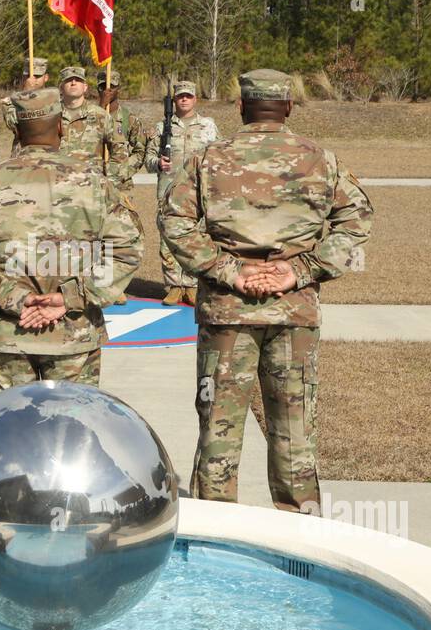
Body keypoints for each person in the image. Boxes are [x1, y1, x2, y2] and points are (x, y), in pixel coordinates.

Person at [159, 69, 373, 514]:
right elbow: (357, 220)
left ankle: (217, 537)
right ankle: (298, 540)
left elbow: (174, 221)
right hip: (293, 313)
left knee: (219, 427)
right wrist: (300, 270)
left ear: (241, 107)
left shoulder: (207, 158)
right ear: (289, 106)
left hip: (226, 312)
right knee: (295, 430)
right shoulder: (320, 158)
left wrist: (228, 269)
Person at [0, 87, 141, 399]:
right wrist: (70, 297)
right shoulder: (93, 181)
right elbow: (127, 251)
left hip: (8, 335)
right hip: (72, 336)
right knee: (70, 433)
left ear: (17, 131)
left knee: (6, 436)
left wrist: (13, 298)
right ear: (61, 127)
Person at [148, 81, 219, 306]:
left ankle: (191, 285)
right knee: (168, 240)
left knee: (196, 239)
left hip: (197, 192)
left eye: (188, 96)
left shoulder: (208, 126)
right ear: (175, 100)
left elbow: (219, 155)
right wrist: (158, 163)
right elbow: (148, 160)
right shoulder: (162, 128)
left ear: (195, 99)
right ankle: (174, 286)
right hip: (169, 191)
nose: (184, 100)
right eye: (180, 97)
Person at [96, 68, 149, 305]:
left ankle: (116, 285)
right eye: (102, 86)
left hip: (120, 187)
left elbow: (141, 149)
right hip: (95, 185)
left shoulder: (129, 119)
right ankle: (98, 282)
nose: (107, 90)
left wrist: (125, 170)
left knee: (119, 237)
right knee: (94, 235)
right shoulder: (91, 116)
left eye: (112, 86)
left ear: (119, 88)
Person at [56, 65, 129, 181]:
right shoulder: (51, 116)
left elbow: (120, 151)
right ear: (60, 87)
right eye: (68, 80)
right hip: (58, 187)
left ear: (85, 87)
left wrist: (109, 181)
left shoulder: (100, 116)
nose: (73, 83)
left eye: (78, 80)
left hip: (91, 189)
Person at [2, 56, 48, 156]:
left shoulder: (54, 100)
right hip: (22, 157)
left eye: (37, 76)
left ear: (46, 77)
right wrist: (26, 95)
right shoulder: (11, 102)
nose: (32, 79)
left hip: (47, 157)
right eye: (28, 76)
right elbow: (13, 124)